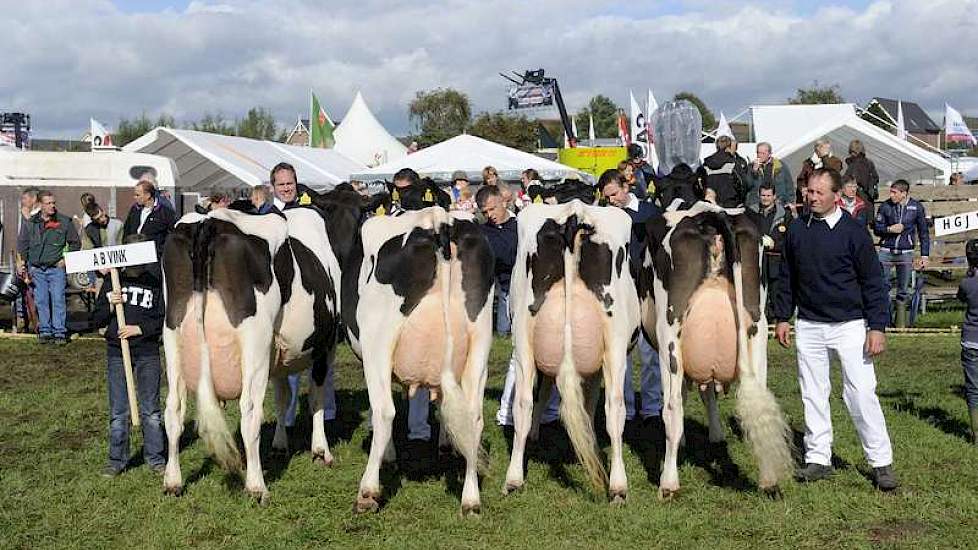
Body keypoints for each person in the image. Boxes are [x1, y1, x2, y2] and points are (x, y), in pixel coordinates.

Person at [773, 168, 897, 492]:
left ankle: (880, 463)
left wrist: (877, 327)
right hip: (810, 325)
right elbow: (786, 277)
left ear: (835, 196)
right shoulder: (797, 231)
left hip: (850, 325)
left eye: (818, 193)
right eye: (808, 192)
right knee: (813, 393)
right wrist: (783, 317)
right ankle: (818, 459)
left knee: (860, 393)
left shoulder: (854, 232)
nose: (810, 197)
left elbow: (873, 282)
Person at [93, 234, 166, 477]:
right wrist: (110, 304)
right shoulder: (114, 281)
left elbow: (162, 319)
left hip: (147, 353)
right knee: (118, 411)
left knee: (151, 410)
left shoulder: (155, 282)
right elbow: (97, 319)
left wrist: (140, 329)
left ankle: (156, 458)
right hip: (117, 352)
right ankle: (117, 460)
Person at [599, 169, 664, 434]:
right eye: (606, 197)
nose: (611, 200)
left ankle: (651, 408)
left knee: (650, 351)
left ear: (626, 186)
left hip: (647, 288)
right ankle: (624, 407)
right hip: (619, 290)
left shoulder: (650, 213)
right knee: (619, 351)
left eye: (613, 194)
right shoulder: (606, 218)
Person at [16, 190, 81, 344]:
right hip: (37, 269)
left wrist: (66, 259)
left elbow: (75, 243)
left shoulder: (64, 222)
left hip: (56, 268)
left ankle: (59, 332)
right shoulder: (31, 223)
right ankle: (45, 331)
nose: (52, 206)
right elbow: (23, 245)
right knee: (41, 300)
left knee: (58, 299)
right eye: (48, 203)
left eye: (53, 203)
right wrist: (21, 264)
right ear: (40, 205)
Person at [874, 179, 930, 325]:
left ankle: (901, 324)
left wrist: (925, 255)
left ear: (903, 193)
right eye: (891, 192)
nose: (891, 195)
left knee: (903, 289)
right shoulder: (885, 206)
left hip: (906, 251)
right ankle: (885, 321)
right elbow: (877, 228)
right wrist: (889, 229)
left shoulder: (916, 207)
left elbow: (923, 232)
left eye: (894, 192)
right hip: (886, 250)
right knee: (882, 287)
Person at [475, 186, 517, 336]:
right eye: (485, 212)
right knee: (503, 333)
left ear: (503, 202)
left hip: (525, 287)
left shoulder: (521, 225)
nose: (490, 215)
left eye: (493, 209)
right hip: (504, 289)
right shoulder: (482, 232)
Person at [751, 184, 792, 320]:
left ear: (774, 196)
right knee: (757, 293)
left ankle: (777, 320)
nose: (766, 198)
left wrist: (775, 244)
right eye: (763, 195)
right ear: (759, 195)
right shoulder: (751, 213)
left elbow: (790, 238)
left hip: (776, 260)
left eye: (768, 195)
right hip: (756, 260)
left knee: (776, 292)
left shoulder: (785, 214)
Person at [122, 177, 176, 256]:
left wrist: (160, 250)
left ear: (148, 195)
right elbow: (127, 230)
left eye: (138, 195)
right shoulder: (134, 210)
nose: (135, 197)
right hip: (133, 254)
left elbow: (172, 235)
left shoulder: (165, 212)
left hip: (154, 258)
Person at [958, 239, 978, 444]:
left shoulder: (966, 282)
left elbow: (961, 298)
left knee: (973, 388)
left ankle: (976, 433)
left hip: (971, 340)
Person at [14, 187, 40, 333]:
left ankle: (35, 321)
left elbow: (37, 236)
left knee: (34, 291)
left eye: (24, 199)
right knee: (22, 290)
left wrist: (27, 218)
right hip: (24, 258)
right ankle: (22, 318)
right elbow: (22, 239)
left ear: (33, 199)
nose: (22, 202)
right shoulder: (25, 216)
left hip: (35, 260)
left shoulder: (36, 216)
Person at [701, 135, 747, 208]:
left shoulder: (706, 163)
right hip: (730, 204)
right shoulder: (733, 162)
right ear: (729, 147)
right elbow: (743, 183)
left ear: (716, 146)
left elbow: (701, 184)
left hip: (710, 204)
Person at [746, 142, 794, 208]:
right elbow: (747, 186)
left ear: (769, 154)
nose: (759, 156)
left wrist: (790, 202)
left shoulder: (780, 166)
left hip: (778, 203)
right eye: (758, 153)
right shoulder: (751, 167)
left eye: (763, 153)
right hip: (757, 205)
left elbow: (789, 185)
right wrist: (754, 172)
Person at [844, 139, 879, 222]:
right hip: (868, 198)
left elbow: (850, 179)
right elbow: (876, 177)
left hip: (859, 199)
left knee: (858, 225)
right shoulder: (869, 162)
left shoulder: (855, 164)